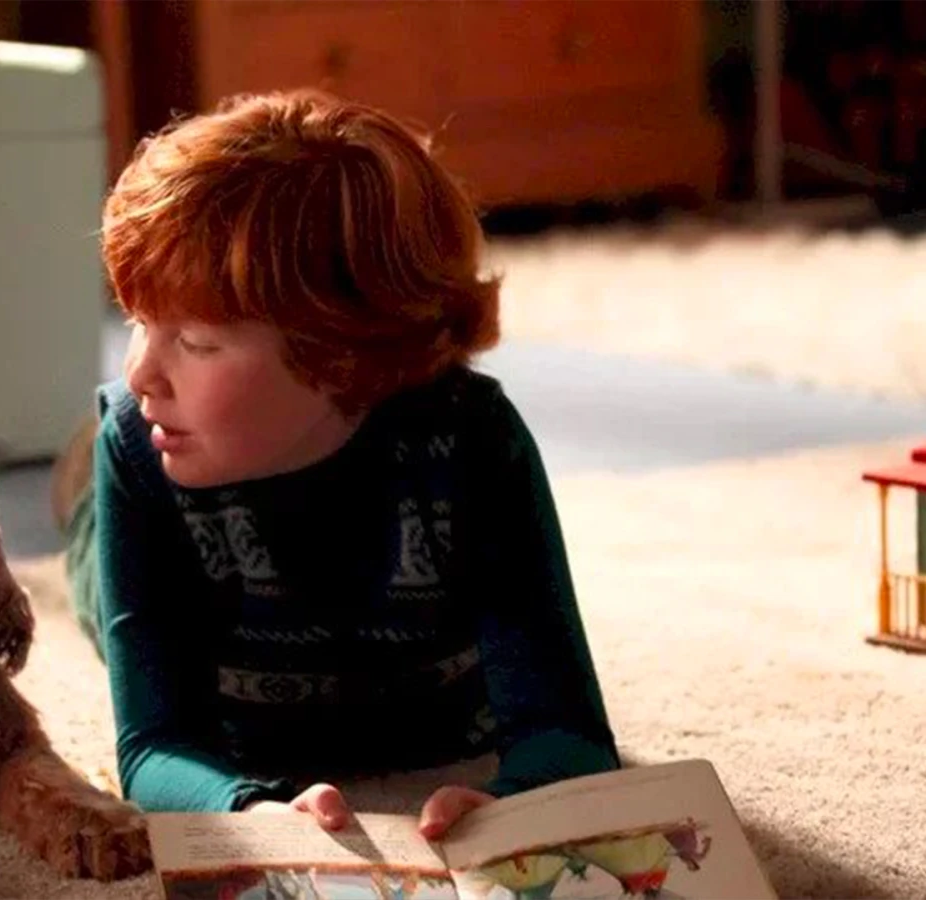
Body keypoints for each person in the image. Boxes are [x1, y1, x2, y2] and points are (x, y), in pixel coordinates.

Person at [56, 88, 619, 840]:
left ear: (344, 357)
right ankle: (76, 476)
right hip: (150, 504)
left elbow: (568, 730)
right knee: (93, 536)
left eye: (195, 342)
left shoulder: (473, 442)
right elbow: (155, 745)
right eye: (136, 322)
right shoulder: (137, 444)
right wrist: (248, 812)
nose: (138, 372)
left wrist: (516, 803)